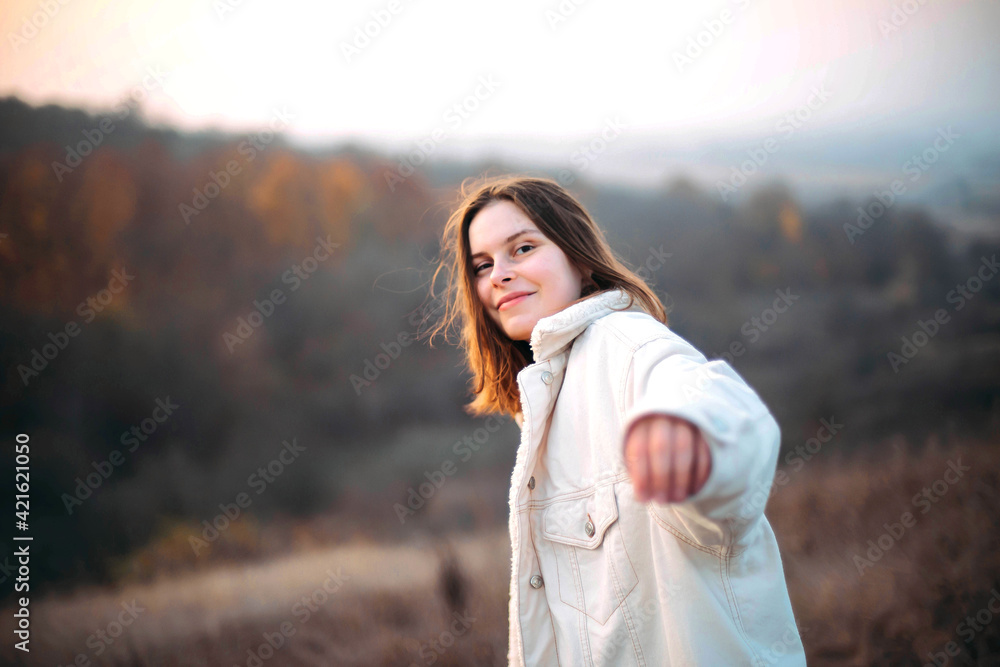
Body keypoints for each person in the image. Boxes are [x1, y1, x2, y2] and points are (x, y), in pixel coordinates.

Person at [424, 174, 806, 666]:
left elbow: (718, 411)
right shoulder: (551, 388)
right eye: (483, 264)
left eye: (521, 248)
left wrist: (693, 443)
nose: (498, 274)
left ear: (579, 258)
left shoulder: (626, 345)